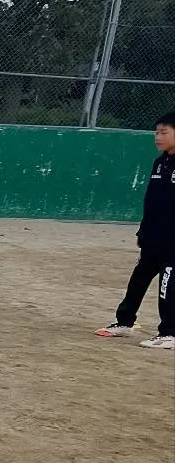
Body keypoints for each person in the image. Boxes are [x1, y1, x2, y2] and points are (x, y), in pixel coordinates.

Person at [95, 111, 174, 350]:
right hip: (154, 238)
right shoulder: (160, 163)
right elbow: (152, 201)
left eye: (164, 132)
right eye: (156, 132)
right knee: (138, 280)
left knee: (168, 287)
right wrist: (144, 231)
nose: (158, 137)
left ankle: (169, 333)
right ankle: (124, 322)